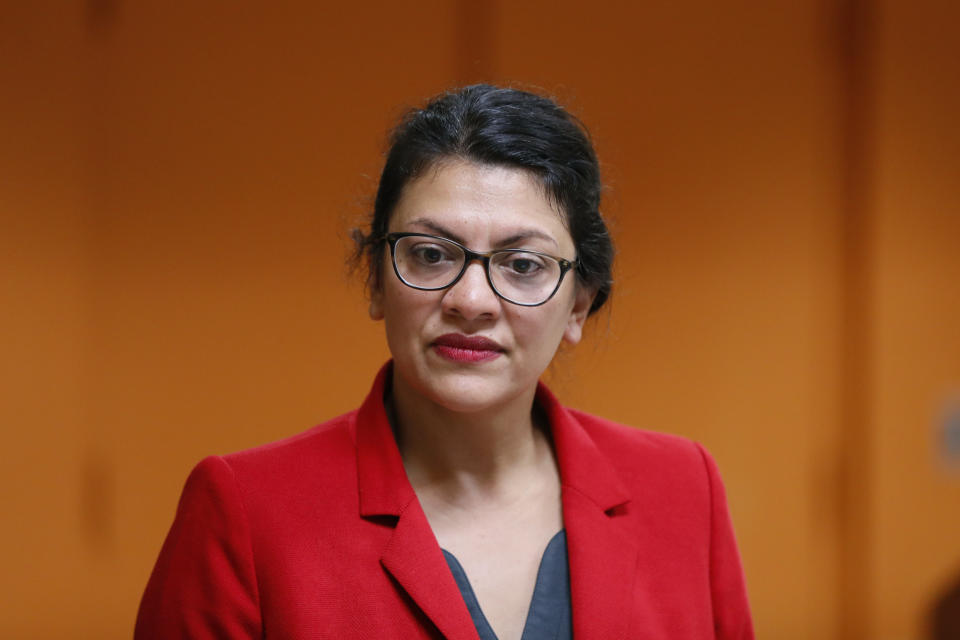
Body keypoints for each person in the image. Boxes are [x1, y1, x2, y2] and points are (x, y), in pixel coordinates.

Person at [135, 84, 754, 640]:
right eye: (431, 254)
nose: (471, 301)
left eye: (523, 264)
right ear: (376, 281)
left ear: (578, 306)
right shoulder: (245, 511)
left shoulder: (682, 487)